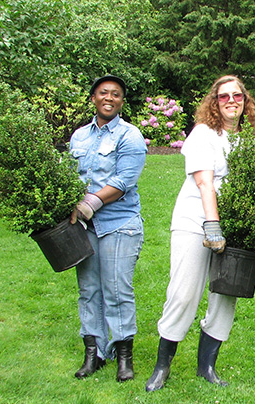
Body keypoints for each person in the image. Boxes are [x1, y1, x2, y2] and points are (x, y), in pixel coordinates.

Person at [145, 75, 255, 392]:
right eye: (224, 97)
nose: (231, 102)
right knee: (183, 294)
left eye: (237, 96)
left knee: (226, 295)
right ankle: (162, 367)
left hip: (235, 224)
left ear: (245, 100)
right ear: (214, 102)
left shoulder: (249, 138)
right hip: (195, 219)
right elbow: (204, 182)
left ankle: (206, 367)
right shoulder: (203, 134)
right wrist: (212, 225)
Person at [69, 74, 147, 382]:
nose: (109, 98)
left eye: (116, 94)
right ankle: (94, 353)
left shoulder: (131, 136)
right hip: (83, 227)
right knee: (89, 289)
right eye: (104, 93)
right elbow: (70, 176)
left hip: (119, 223)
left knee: (117, 289)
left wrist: (87, 205)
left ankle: (123, 356)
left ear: (121, 102)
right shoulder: (79, 137)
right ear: (93, 98)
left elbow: (123, 182)